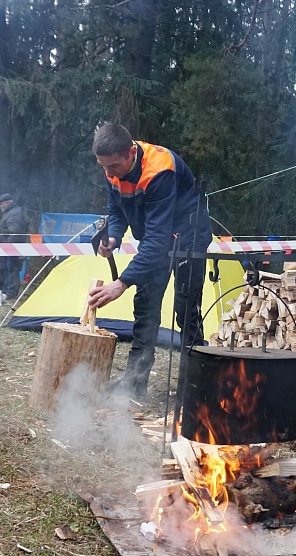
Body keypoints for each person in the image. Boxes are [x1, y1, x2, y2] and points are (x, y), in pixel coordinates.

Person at [87, 122, 211, 401]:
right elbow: (116, 211)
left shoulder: (160, 170)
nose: (108, 174)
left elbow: (158, 240)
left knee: (186, 307)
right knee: (146, 305)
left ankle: (194, 388)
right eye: (103, 167)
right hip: (159, 236)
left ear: (131, 153)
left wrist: (122, 283)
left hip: (189, 236)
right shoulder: (113, 168)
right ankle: (135, 383)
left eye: (114, 167)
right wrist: (114, 237)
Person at [0, 193, 29, 299]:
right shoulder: (11, 212)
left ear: (7, 203)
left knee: (11, 268)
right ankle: (5, 290)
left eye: (1, 204)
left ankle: (11, 292)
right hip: (7, 246)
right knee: (6, 268)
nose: (0, 206)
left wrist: (6, 243)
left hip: (11, 246)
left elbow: (15, 232)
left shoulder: (14, 213)